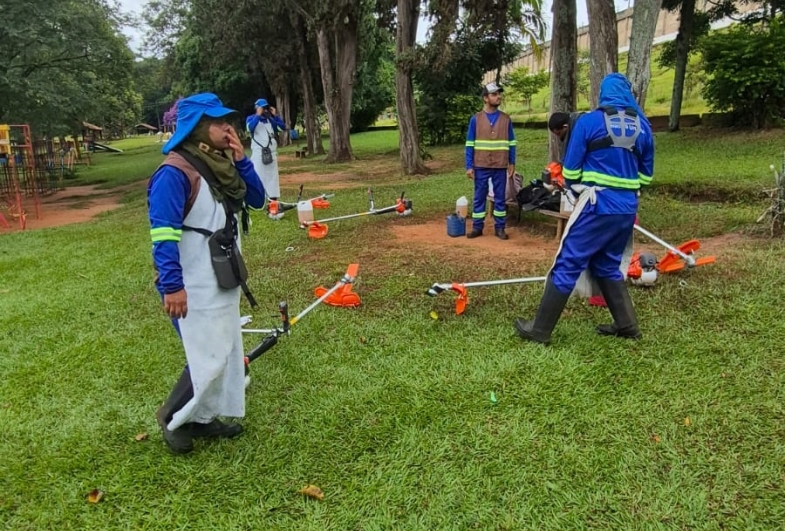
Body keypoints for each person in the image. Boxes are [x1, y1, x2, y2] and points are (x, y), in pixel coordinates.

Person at [147, 92, 266, 454]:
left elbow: (257, 199)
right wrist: (172, 286)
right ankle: (170, 417)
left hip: (222, 275)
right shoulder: (174, 172)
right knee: (207, 353)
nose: (226, 126)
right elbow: (163, 235)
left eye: (226, 119)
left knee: (225, 348)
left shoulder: (221, 165)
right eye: (217, 122)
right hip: (192, 281)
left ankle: (203, 419)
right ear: (198, 128)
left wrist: (243, 160)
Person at [514, 73, 654, 344]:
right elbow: (646, 178)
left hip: (596, 204)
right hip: (626, 208)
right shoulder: (644, 128)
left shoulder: (590, 122)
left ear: (603, 94)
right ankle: (627, 326)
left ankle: (539, 330)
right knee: (607, 264)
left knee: (568, 261)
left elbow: (571, 170)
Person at [464, 82, 517, 240]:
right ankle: (477, 227)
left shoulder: (506, 119)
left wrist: (512, 162)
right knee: (479, 196)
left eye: (499, 94)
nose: (498, 96)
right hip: (480, 164)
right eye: (494, 94)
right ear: (485, 98)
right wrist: (469, 166)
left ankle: (499, 228)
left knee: (500, 197)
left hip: (500, 164)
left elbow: (512, 142)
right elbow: (469, 144)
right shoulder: (476, 119)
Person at [246, 98, 286, 219]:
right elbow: (250, 128)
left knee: (272, 179)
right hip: (258, 155)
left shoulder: (270, 120)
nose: (264, 110)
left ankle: (272, 202)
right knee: (258, 179)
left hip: (271, 155)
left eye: (265, 108)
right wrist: (258, 115)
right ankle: (257, 201)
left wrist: (276, 116)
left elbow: (281, 128)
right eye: (262, 108)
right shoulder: (251, 119)